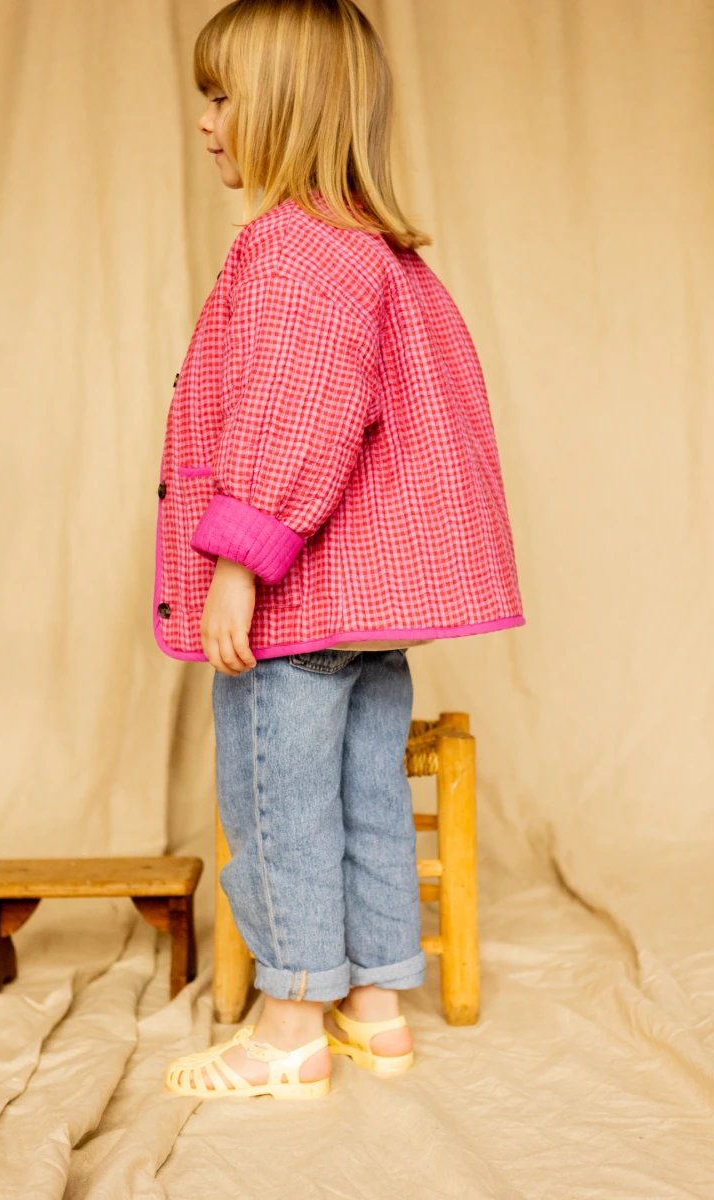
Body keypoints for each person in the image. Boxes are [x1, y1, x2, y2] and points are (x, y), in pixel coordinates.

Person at [155, 0, 525, 1101]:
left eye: (221, 98)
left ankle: (289, 1026)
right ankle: (377, 1007)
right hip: (374, 601)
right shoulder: (374, 253)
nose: (205, 121)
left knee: (278, 801)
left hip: (300, 597)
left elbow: (296, 415)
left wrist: (237, 564)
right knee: (368, 795)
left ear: (281, 107)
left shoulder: (291, 252)